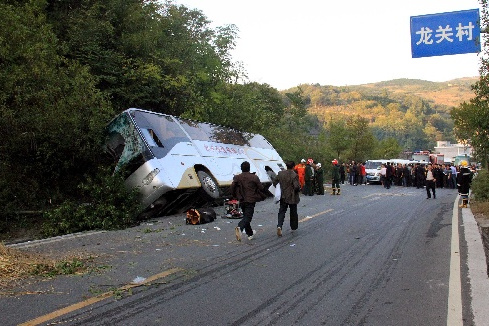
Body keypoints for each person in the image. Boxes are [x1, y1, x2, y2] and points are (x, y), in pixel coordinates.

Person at [230, 161, 265, 241]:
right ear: (249, 168)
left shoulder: (237, 177)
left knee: (246, 215)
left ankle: (250, 234)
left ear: (241, 168)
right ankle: (240, 227)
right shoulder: (254, 177)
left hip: (241, 199)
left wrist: (235, 196)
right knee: (248, 217)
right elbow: (261, 187)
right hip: (251, 199)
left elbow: (232, 188)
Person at [273, 160, 301, 236]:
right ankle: (293, 227)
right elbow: (296, 186)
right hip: (292, 196)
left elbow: (275, 182)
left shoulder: (280, 173)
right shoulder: (294, 175)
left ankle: (279, 226)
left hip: (283, 196)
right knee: (293, 212)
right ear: (293, 167)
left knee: (281, 211)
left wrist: (279, 188)